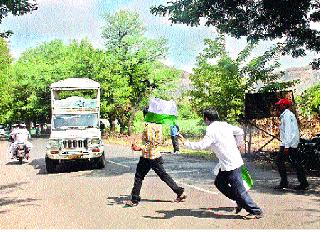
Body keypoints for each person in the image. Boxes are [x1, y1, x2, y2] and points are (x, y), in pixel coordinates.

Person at [178, 108, 263, 219]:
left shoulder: (211, 130)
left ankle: (255, 211)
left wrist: (186, 143)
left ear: (206, 119)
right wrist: (238, 144)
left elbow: (202, 145)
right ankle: (240, 201)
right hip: (227, 163)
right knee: (220, 183)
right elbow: (240, 131)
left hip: (231, 164)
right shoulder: (225, 125)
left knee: (239, 190)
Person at [125, 108, 187, 207]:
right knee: (163, 175)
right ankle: (179, 192)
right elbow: (156, 141)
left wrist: (139, 147)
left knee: (139, 176)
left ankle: (134, 199)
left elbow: (150, 143)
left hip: (149, 156)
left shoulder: (149, 127)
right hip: (156, 155)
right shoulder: (158, 125)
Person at [274, 98, 309, 190]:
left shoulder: (287, 115)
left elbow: (289, 131)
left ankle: (284, 182)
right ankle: (303, 182)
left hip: (289, 143)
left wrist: (286, 146)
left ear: (284, 105)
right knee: (296, 163)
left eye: (279, 105)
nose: (278, 106)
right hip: (290, 143)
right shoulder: (286, 114)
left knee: (279, 161)